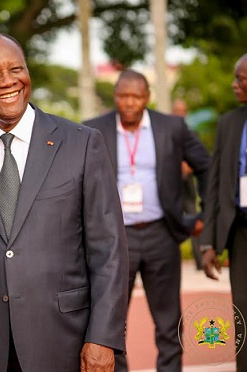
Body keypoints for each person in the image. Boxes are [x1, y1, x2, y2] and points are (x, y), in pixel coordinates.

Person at [0, 33, 128, 372]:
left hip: (66, 341)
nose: (8, 82)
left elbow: (109, 250)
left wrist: (103, 338)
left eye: (16, 69)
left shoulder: (82, 144)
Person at [84, 70, 211, 371]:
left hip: (160, 235)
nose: (129, 103)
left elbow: (206, 165)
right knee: (111, 320)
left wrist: (204, 215)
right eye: (123, 96)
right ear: (115, 97)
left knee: (168, 321)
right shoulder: (92, 130)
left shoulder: (172, 127)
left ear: (147, 97)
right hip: (114, 240)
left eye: (136, 97)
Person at [200, 53, 247, 372]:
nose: (234, 84)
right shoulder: (229, 123)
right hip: (241, 231)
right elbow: (215, 187)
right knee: (242, 311)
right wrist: (208, 243)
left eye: (240, 78)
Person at [172, 99, 204, 270]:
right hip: (171, 187)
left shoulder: (192, 133)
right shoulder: (167, 132)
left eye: (182, 110)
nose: (179, 114)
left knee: (194, 221)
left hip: (187, 187)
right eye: (176, 110)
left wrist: (186, 167)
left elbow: (199, 160)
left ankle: (199, 261)